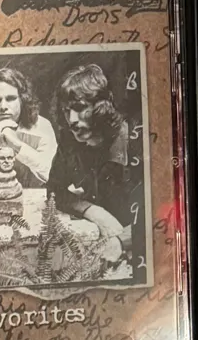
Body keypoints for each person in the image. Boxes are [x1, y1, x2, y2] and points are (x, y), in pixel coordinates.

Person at [46, 64, 143, 247]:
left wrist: (121, 242)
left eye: (80, 108)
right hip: (99, 240)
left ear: (101, 106)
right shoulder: (70, 142)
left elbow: (156, 213)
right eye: (66, 111)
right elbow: (54, 190)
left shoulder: (134, 141)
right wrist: (92, 211)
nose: (72, 120)